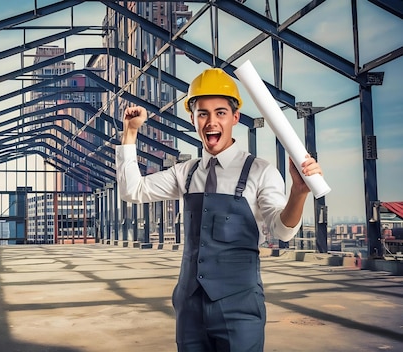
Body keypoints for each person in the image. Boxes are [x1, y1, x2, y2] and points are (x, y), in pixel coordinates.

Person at [115, 68, 323, 352]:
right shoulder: (186, 173)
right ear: (193, 119)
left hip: (239, 309)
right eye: (203, 113)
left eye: (221, 113)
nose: (211, 121)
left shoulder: (260, 171)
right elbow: (131, 190)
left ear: (235, 118)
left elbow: (282, 230)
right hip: (189, 307)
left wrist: (298, 193)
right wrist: (130, 132)